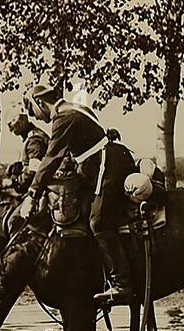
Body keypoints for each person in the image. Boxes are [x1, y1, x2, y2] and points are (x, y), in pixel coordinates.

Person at [24, 78, 135, 304]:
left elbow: (52, 157)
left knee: (99, 221)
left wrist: (32, 195)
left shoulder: (63, 117)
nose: (35, 118)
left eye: (33, 111)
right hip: (104, 162)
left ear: (39, 102)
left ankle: (122, 284)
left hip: (108, 164)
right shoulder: (73, 108)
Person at [7, 112, 49, 192]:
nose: (10, 129)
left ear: (22, 120)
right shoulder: (32, 136)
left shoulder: (34, 139)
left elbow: (33, 171)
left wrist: (14, 182)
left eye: (10, 124)